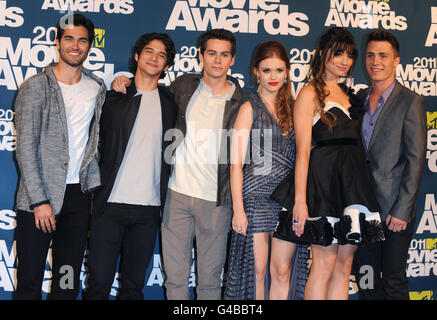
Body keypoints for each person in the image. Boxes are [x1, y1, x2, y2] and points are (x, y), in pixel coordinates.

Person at [112, 29, 245, 300]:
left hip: (217, 202)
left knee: (209, 283)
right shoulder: (183, 86)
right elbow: (149, 90)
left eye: (224, 55)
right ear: (201, 56)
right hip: (176, 197)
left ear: (232, 60)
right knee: (175, 281)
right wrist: (123, 79)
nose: (217, 61)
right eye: (211, 53)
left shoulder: (242, 102)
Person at [13, 14, 106, 300]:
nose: (75, 45)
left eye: (82, 40)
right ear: (57, 42)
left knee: (66, 282)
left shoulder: (97, 88)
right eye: (69, 38)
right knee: (30, 281)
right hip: (37, 201)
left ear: (90, 46)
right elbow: (25, 148)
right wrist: (39, 201)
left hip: (78, 199)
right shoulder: (35, 87)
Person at [290, 27, 383, 300]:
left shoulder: (351, 95)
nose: (345, 61)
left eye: (350, 55)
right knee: (323, 265)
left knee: (344, 267)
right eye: (338, 53)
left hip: (354, 187)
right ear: (322, 54)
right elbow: (303, 152)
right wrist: (299, 200)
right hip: (324, 188)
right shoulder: (309, 93)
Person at [83, 33, 177, 300]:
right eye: (149, 51)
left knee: (133, 288)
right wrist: (119, 82)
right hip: (109, 205)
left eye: (161, 55)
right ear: (137, 56)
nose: (154, 58)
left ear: (167, 65)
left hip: (149, 209)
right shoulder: (113, 97)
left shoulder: (171, 101)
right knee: (98, 284)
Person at [353, 29, 426, 300]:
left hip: (394, 212)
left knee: (393, 279)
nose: (376, 61)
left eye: (383, 56)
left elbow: (416, 159)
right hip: (361, 210)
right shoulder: (358, 100)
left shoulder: (411, 102)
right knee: (367, 279)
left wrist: (402, 210)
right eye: (371, 55)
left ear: (396, 61)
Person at [223, 41, 296, 300]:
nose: (273, 77)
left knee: (282, 271)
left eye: (278, 70)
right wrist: (238, 209)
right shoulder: (248, 107)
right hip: (254, 200)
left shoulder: (295, 108)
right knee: (256, 272)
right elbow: (235, 164)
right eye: (267, 71)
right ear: (256, 72)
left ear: (287, 71)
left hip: (286, 201)